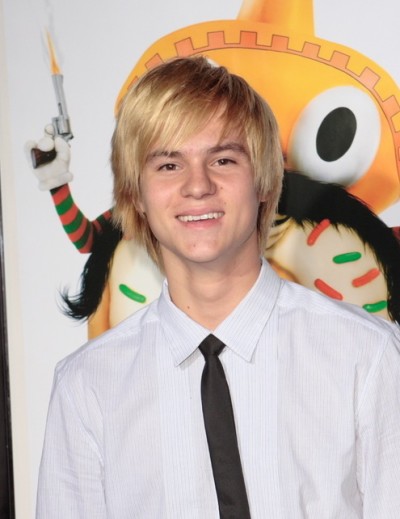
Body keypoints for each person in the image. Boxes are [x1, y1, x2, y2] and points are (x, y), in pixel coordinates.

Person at [36, 56, 400, 518]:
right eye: (169, 164)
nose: (198, 185)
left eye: (223, 160)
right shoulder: (86, 386)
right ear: (136, 194)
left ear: (264, 181)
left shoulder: (368, 355)